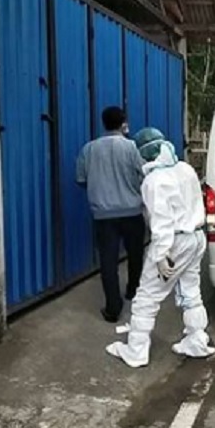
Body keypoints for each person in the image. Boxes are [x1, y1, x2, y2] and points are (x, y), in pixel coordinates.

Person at [106, 127, 215, 368]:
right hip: (196, 237)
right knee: (190, 289)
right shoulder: (185, 169)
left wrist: (161, 254)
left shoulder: (154, 181)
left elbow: (161, 221)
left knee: (147, 295)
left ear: (144, 153)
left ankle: (136, 350)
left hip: (174, 242)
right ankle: (197, 341)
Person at [76, 106, 146, 323]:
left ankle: (113, 308)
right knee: (135, 255)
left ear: (103, 123)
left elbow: (80, 179)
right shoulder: (131, 147)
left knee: (108, 261)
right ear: (123, 123)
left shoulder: (89, 149)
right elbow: (144, 173)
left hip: (104, 215)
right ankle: (133, 291)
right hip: (132, 211)